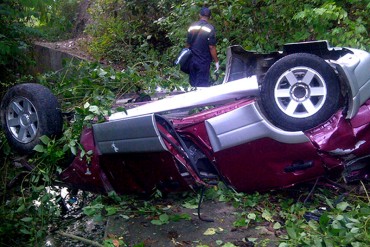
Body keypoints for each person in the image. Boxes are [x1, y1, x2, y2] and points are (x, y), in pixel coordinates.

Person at [186, 7, 219, 87]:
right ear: (210, 17)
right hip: (203, 61)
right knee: (202, 87)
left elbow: (188, 44)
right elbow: (211, 47)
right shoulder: (210, 28)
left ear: (199, 15)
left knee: (193, 86)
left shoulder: (192, 27)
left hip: (192, 60)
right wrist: (216, 61)